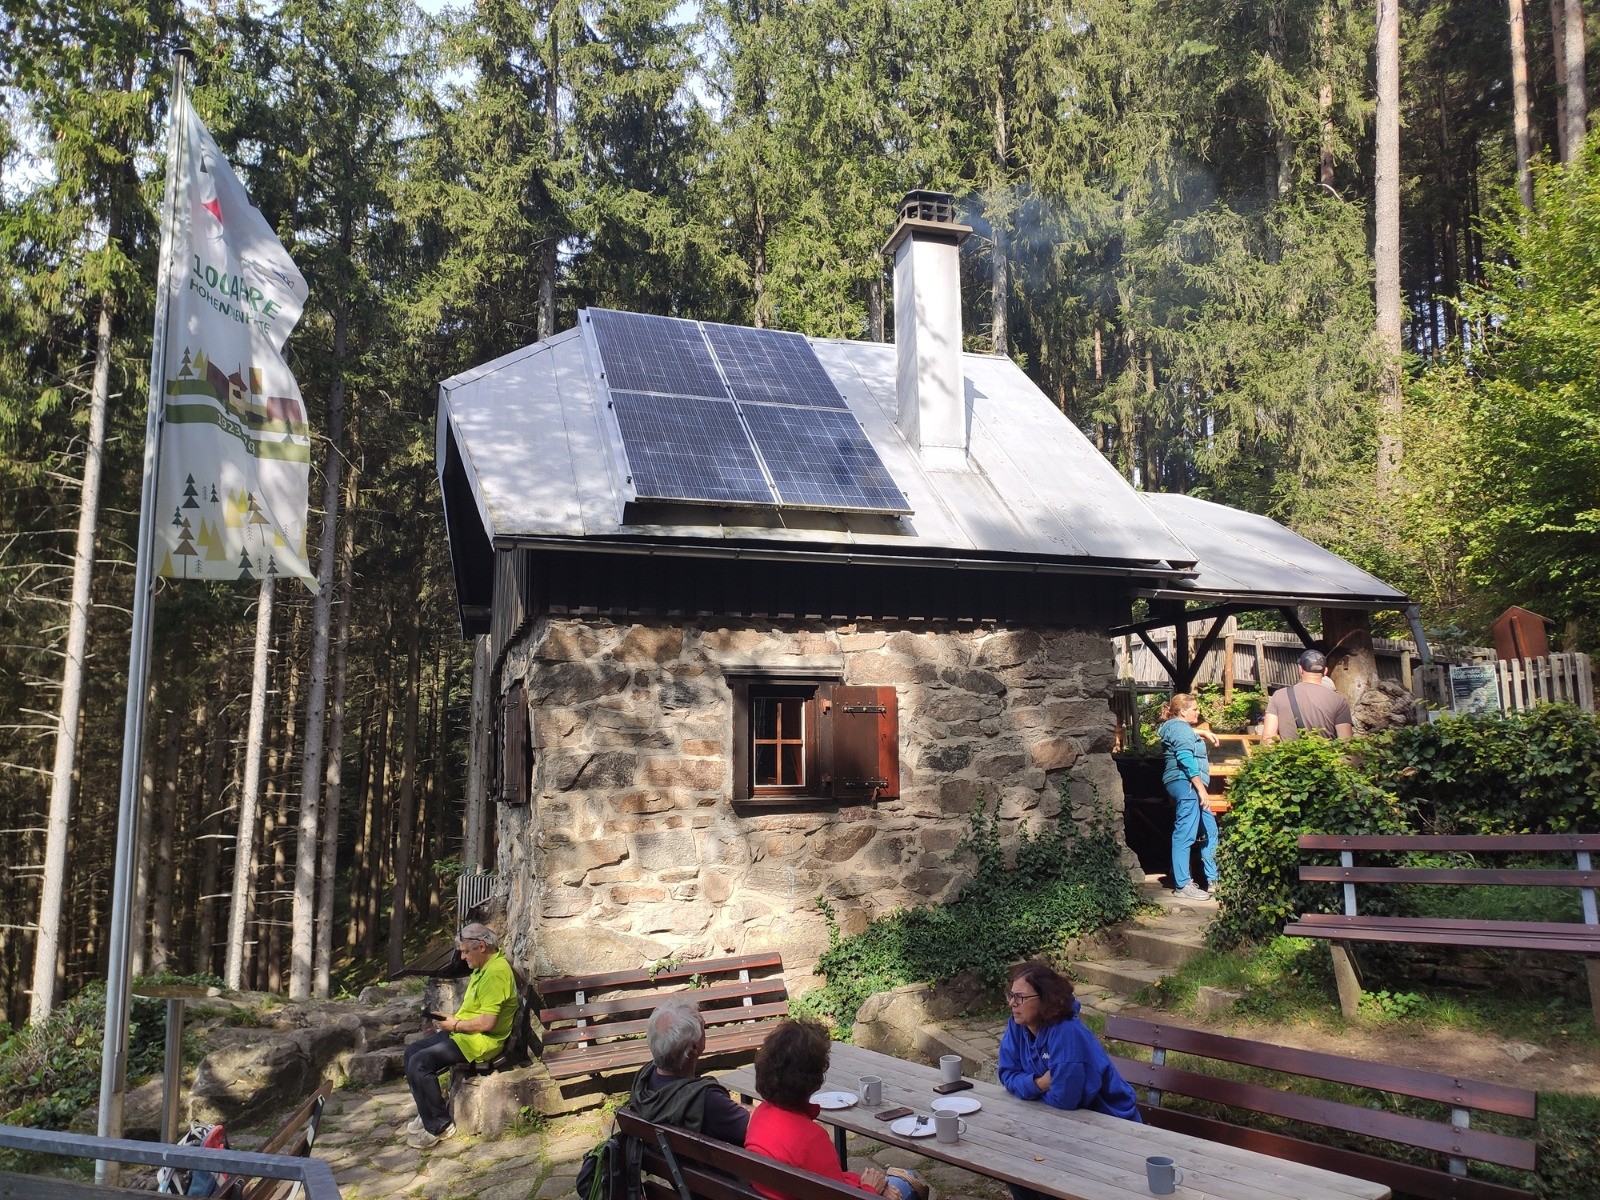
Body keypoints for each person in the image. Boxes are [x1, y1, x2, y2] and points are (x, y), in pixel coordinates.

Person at [998, 962, 1140, 1200]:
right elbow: (1006, 1073)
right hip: (1059, 1124)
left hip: (1109, 1127)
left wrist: (1025, 1088)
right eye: (1011, 995)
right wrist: (1039, 1084)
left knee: (1041, 1178)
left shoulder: (1067, 1032)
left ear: (1044, 999)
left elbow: (1064, 1099)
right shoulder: (1017, 1025)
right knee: (1013, 1167)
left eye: (1020, 997)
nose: (1012, 1003)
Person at [745, 1019, 924, 1200]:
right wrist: (871, 1188)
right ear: (815, 1078)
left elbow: (830, 1182)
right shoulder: (811, 1138)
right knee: (908, 1180)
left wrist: (866, 1183)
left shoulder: (760, 1115)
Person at [403, 922, 519, 1148]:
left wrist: (455, 1024)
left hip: (481, 1042)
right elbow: (477, 1012)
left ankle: (440, 1126)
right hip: (466, 1035)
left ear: (481, 947)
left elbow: (487, 1023)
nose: (462, 957)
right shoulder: (484, 967)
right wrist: (451, 1020)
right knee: (411, 1052)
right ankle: (427, 1113)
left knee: (420, 1063)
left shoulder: (495, 974)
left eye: (465, 951)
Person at [628, 1001, 750, 1144]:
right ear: (694, 1047)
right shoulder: (705, 1101)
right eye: (703, 1027)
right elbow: (758, 1129)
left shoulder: (643, 1081)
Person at [1158, 692, 1220, 901]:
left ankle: (1214, 880)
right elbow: (1185, 757)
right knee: (1185, 832)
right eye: (1195, 709)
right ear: (1183, 712)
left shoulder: (1181, 727)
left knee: (1209, 829)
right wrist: (1201, 789)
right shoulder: (1179, 728)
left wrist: (1201, 732)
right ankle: (1183, 884)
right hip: (1186, 783)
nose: (1198, 712)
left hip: (1190, 784)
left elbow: (1182, 736)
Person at [1261, 649, 1354, 744]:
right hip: (1326, 753)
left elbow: (1268, 736)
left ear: (1300, 669)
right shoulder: (1338, 700)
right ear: (1325, 671)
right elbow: (1346, 742)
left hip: (1288, 753)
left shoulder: (1279, 695)